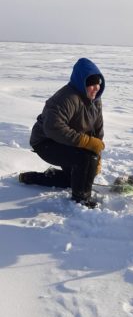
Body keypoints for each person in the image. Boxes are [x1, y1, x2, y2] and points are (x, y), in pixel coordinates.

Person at [19, 58, 105, 208]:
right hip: (45, 141)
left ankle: (33, 178)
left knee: (75, 176)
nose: (96, 87)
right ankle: (82, 199)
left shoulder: (95, 100)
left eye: (98, 83)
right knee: (84, 159)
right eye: (91, 83)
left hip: (66, 140)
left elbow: (97, 130)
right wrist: (86, 143)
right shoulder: (67, 98)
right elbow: (52, 128)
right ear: (81, 82)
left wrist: (98, 155)